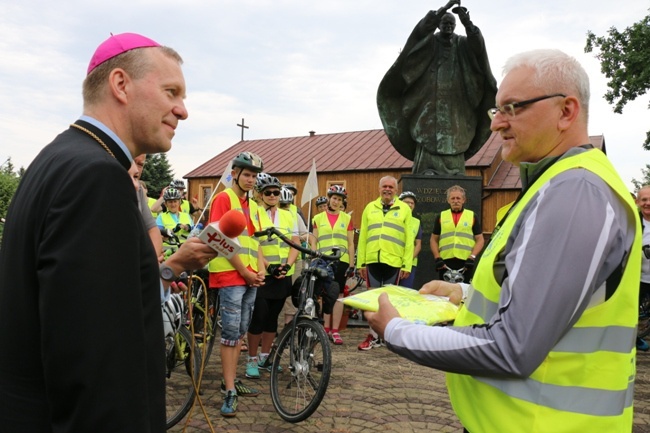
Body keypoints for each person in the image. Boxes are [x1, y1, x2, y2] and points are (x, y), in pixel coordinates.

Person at [367, 49, 640, 432]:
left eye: (513, 108)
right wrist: (463, 292)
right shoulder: (552, 184)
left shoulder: (576, 192)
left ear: (566, 112)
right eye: (498, 111)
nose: (497, 125)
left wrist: (398, 331)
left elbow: (513, 348)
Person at [0, 33, 219, 431]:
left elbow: (82, 306)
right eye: (171, 91)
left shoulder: (59, 158)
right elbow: (97, 363)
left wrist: (165, 271)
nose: (182, 110)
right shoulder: (98, 175)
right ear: (121, 84)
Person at [377, 0, 497, 175]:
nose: (448, 26)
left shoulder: (462, 43)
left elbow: (477, 47)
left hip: (457, 100)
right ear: (439, 24)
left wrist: (467, 23)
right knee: (427, 131)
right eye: (445, 23)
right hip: (429, 97)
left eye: (451, 24)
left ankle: (455, 170)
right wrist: (445, 8)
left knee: (457, 133)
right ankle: (428, 168)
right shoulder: (430, 41)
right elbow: (420, 32)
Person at [208, 151, 269, 417]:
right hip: (231, 275)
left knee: (241, 332)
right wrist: (245, 272)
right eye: (246, 174)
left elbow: (255, 243)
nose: (251, 180)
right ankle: (229, 390)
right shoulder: (224, 198)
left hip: (249, 277)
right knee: (231, 334)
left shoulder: (254, 206)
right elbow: (217, 238)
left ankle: (229, 380)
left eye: (254, 176)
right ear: (234, 173)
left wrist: (261, 271)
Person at [246, 174, 300, 379]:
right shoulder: (255, 213)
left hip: (282, 273)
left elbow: (295, 242)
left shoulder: (288, 215)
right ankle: (251, 359)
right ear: (259, 194)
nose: (272, 195)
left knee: (272, 319)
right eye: (267, 192)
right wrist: (268, 267)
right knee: (258, 316)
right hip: (262, 272)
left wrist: (287, 265)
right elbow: (254, 243)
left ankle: (265, 357)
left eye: (276, 192)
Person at [356, 176, 414, 350]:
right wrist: (361, 263)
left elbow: (409, 239)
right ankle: (373, 336)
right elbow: (363, 237)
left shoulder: (404, 209)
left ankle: (387, 336)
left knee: (389, 300)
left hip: (394, 261)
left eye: (391, 187)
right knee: (373, 299)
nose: (387, 189)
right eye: (384, 186)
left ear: (396, 190)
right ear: (379, 189)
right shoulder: (369, 208)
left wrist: (406, 265)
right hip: (373, 261)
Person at [311, 185, 355, 345]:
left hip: (341, 261)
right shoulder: (317, 219)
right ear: (329, 198)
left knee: (339, 295)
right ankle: (324, 328)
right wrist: (314, 257)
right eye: (334, 198)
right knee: (323, 294)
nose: (336, 202)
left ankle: (335, 330)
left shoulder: (347, 218)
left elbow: (350, 243)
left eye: (340, 200)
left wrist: (351, 263)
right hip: (323, 260)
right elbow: (314, 240)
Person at [430, 185, 484, 282]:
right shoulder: (441, 216)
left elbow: (480, 239)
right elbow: (434, 239)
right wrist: (437, 258)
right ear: (448, 200)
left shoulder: (472, 216)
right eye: (453, 198)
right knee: (444, 293)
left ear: (463, 200)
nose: (455, 201)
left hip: (466, 262)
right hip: (445, 262)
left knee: (464, 293)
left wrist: (472, 257)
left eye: (458, 198)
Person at [129, 156, 164, 261]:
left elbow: (153, 230)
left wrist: (151, 262)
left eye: (140, 164)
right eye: (132, 161)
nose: (135, 168)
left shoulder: (138, 189)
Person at [156, 187, 193, 252]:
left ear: (179, 202)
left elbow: (195, 233)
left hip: (186, 252)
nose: (173, 204)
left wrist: (188, 228)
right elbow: (158, 236)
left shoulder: (186, 216)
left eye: (175, 201)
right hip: (168, 254)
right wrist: (173, 230)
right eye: (170, 202)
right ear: (166, 204)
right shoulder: (161, 216)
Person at [397, 191, 421, 288]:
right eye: (407, 202)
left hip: (410, 264)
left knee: (405, 291)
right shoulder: (394, 218)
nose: (410, 205)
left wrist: (408, 260)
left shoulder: (416, 222)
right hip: (394, 261)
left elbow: (418, 244)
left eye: (412, 203)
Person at [636, 185, 650, 351]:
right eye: (644, 200)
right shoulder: (633, 221)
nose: (647, 203)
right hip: (637, 276)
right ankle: (635, 337)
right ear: (638, 202)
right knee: (632, 311)